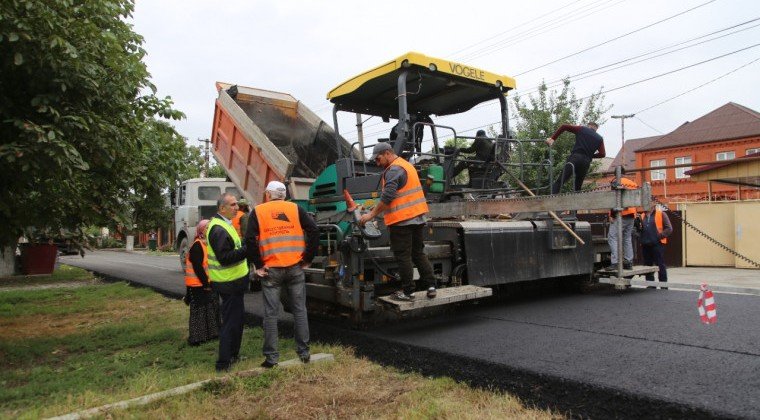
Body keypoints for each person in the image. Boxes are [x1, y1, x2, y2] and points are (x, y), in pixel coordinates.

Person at [245, 181, 319, 368]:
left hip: (271, 270)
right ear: (284, 195)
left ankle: (271, 358)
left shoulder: (259, 211)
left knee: (271, 314)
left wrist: (259, 265)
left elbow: (250, 240)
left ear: (268, 194)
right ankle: (304, 353)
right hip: (295, 267)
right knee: (300, 310)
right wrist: (308, 257)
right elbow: (314, 230)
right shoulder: (295, 209)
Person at [359, 142, 437, 301]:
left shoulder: (393, 170)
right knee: (418, 253)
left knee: (403, 256)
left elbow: (388, 197)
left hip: (402, 221)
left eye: (378, 158)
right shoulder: (406, 165)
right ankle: (431, 286)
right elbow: (402, 195)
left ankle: (408, 292)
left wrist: (370, 215)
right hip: (417, 218)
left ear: (387, 153)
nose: (377, 162)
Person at [205, 193, 249, 372]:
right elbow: (225, 258)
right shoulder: (218, 229)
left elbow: (234, 248)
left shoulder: (225, 225)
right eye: (232, 205)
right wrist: (248, 249)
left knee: (236, 321)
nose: (236, 208)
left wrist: (245, 244)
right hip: (228, 282)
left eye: (237, 204)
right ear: (221, 208)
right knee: (230, 323)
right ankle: (223, 363)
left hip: (234, 282)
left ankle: (233, 355)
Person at [184, 219, 220, 345]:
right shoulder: (197, 245)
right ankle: (196, 339)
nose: (208, 230)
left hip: (206, 283)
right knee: (199, 312)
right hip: (197, 285)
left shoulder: (207, 244)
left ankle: (211, 335)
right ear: (201, 230)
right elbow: (198, 267)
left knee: (210, 309)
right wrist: (206, 284)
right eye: (206, 228)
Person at [546, 122, 606, 194]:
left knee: (561, 181)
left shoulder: (582, 129)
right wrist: (590, 155)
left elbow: (564, 126)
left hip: (575, 158)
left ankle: (551, 199)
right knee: (578, 186)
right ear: (596, 129)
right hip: (586, 162)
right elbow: (602, 154)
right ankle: (575, 203)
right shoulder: (599, 138)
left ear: (589, 126)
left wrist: (552, 139)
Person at [606, 177, 638, 271]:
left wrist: (611, 215)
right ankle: (629, 262)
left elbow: (614, 198)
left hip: (621, 213)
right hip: (632, 214)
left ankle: (615, 262)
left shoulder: (616, 181)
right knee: (627, 238)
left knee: (612, 237)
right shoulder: (632, 182)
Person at [638, 202, 673, 289]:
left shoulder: (661, 214)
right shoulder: (641, 216)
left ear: (653, 205)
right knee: (647, 265)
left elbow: (669, 228)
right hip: (645, 244)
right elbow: (637, 229)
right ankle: (650, 285)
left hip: (658, 244)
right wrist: (639, 236)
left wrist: (659, 237)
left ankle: (663, 285)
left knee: (660, 264)